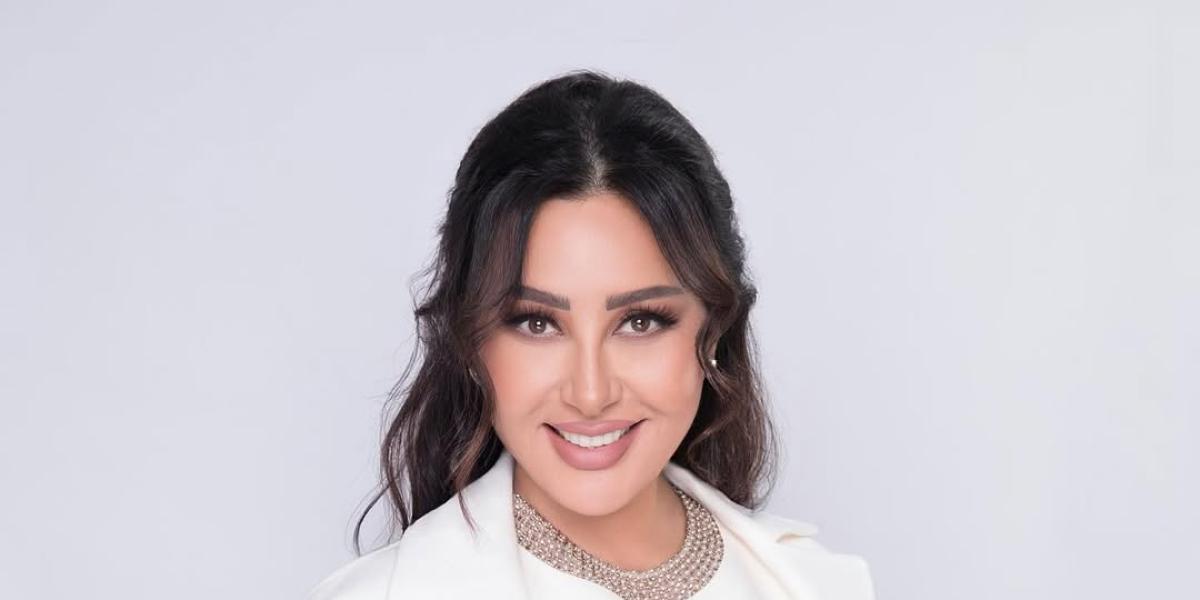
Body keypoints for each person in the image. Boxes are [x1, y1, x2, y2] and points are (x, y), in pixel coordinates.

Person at [306, 69, 876, 599]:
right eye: (537, 323)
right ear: (472, 340)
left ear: (714, 329)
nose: (590, 393)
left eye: (640, 321)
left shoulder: (820, 584)